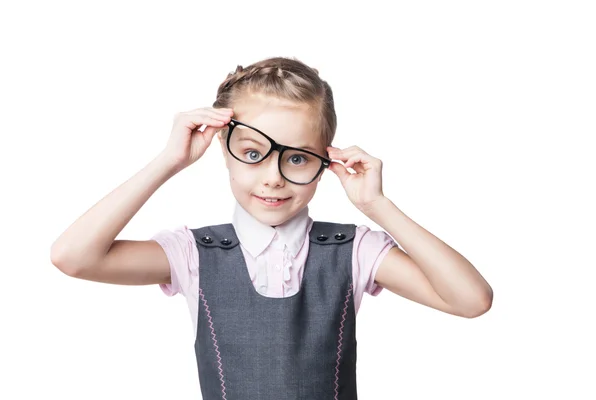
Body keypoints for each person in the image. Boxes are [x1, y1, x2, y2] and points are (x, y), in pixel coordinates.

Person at [51, 56, 493, 399]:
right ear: (222, 148)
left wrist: (376, 205)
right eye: (253, 152)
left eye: (297, 157)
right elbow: (73, 256)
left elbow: (471, 300)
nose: (273, 177)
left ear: (327, 161)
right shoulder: (193, 253)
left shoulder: (353, 249)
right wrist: (169, 161)